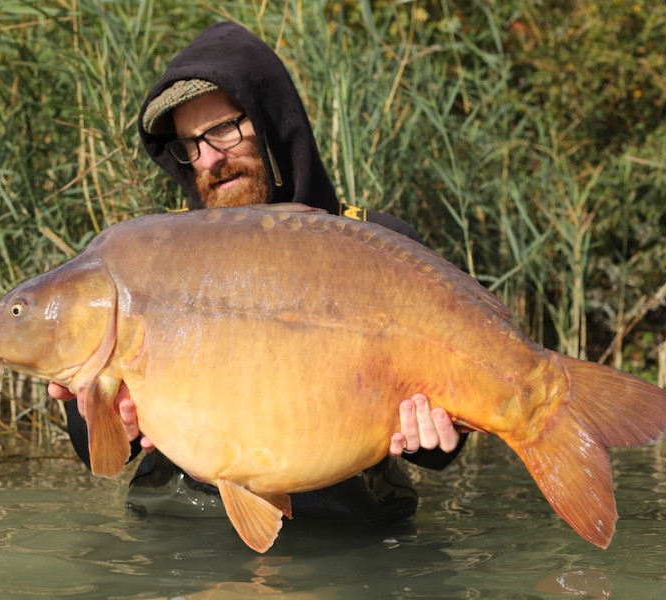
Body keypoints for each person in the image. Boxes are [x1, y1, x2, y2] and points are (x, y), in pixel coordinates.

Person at [51, 21, 467, 521]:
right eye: (190, 143)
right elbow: (94, 449)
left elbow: (441, 452)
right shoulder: (152, 264)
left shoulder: (382, 249)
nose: (209, 159)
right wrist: (104, 418)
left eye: (224, 129)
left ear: (273, 121)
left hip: (349, 530)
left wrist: (431, 437)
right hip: (186, 530)